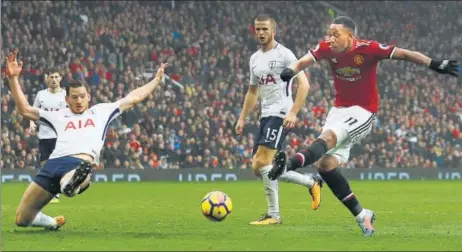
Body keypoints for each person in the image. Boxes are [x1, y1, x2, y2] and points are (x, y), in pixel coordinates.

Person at [268, 16, 459, 236]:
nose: (329, 38)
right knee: (325, 166)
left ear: (350, 36)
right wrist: (291, 70)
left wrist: (434, 64)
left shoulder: (369, 49)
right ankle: (362, 215)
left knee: (328, 138)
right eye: (328, 34)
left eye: (335, 34)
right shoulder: (326, 48)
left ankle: (287, 166)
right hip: (338, 111)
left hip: (363, 112)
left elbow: (405, 54)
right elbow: (303, 62)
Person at [5, 49, 168, 230]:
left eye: (82, 96)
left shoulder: (101, 112)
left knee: (76, 175)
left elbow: (133, 97)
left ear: (89, 97)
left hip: (79, 162)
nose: (79, 100)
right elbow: (25, 110)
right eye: (74, 97)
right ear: (66, 99)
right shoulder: (57, 115)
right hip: (52, 165)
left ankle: (71, 183)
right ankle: (52, 221)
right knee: (22, 220)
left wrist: (156, 80)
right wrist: (13, 78)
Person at [235, 14, 323, 225]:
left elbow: (304, 84)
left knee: (262, 162)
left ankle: (274, 215)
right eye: (257, 29)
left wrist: (293, 112)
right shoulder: (254, 59)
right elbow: (252, 92)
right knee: (259, 168)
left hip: (281, 113)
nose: (261, 33)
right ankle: (311, 182)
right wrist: (242, 118)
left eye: (265, 29)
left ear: (273, 31)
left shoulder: (285, 54)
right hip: (265, 115)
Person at [30, 67, 67, 203]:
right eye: (51, 77)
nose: (53, 80)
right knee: (45, 165)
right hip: (44, 136)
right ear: (47, 79)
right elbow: (33, 112)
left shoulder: (65, 95)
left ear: (60, 78)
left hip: (60, 135)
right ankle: (50, 190)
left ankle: (56, 191)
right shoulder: (41, 95)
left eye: (56, 77)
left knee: (58, 163)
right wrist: (31, 123)